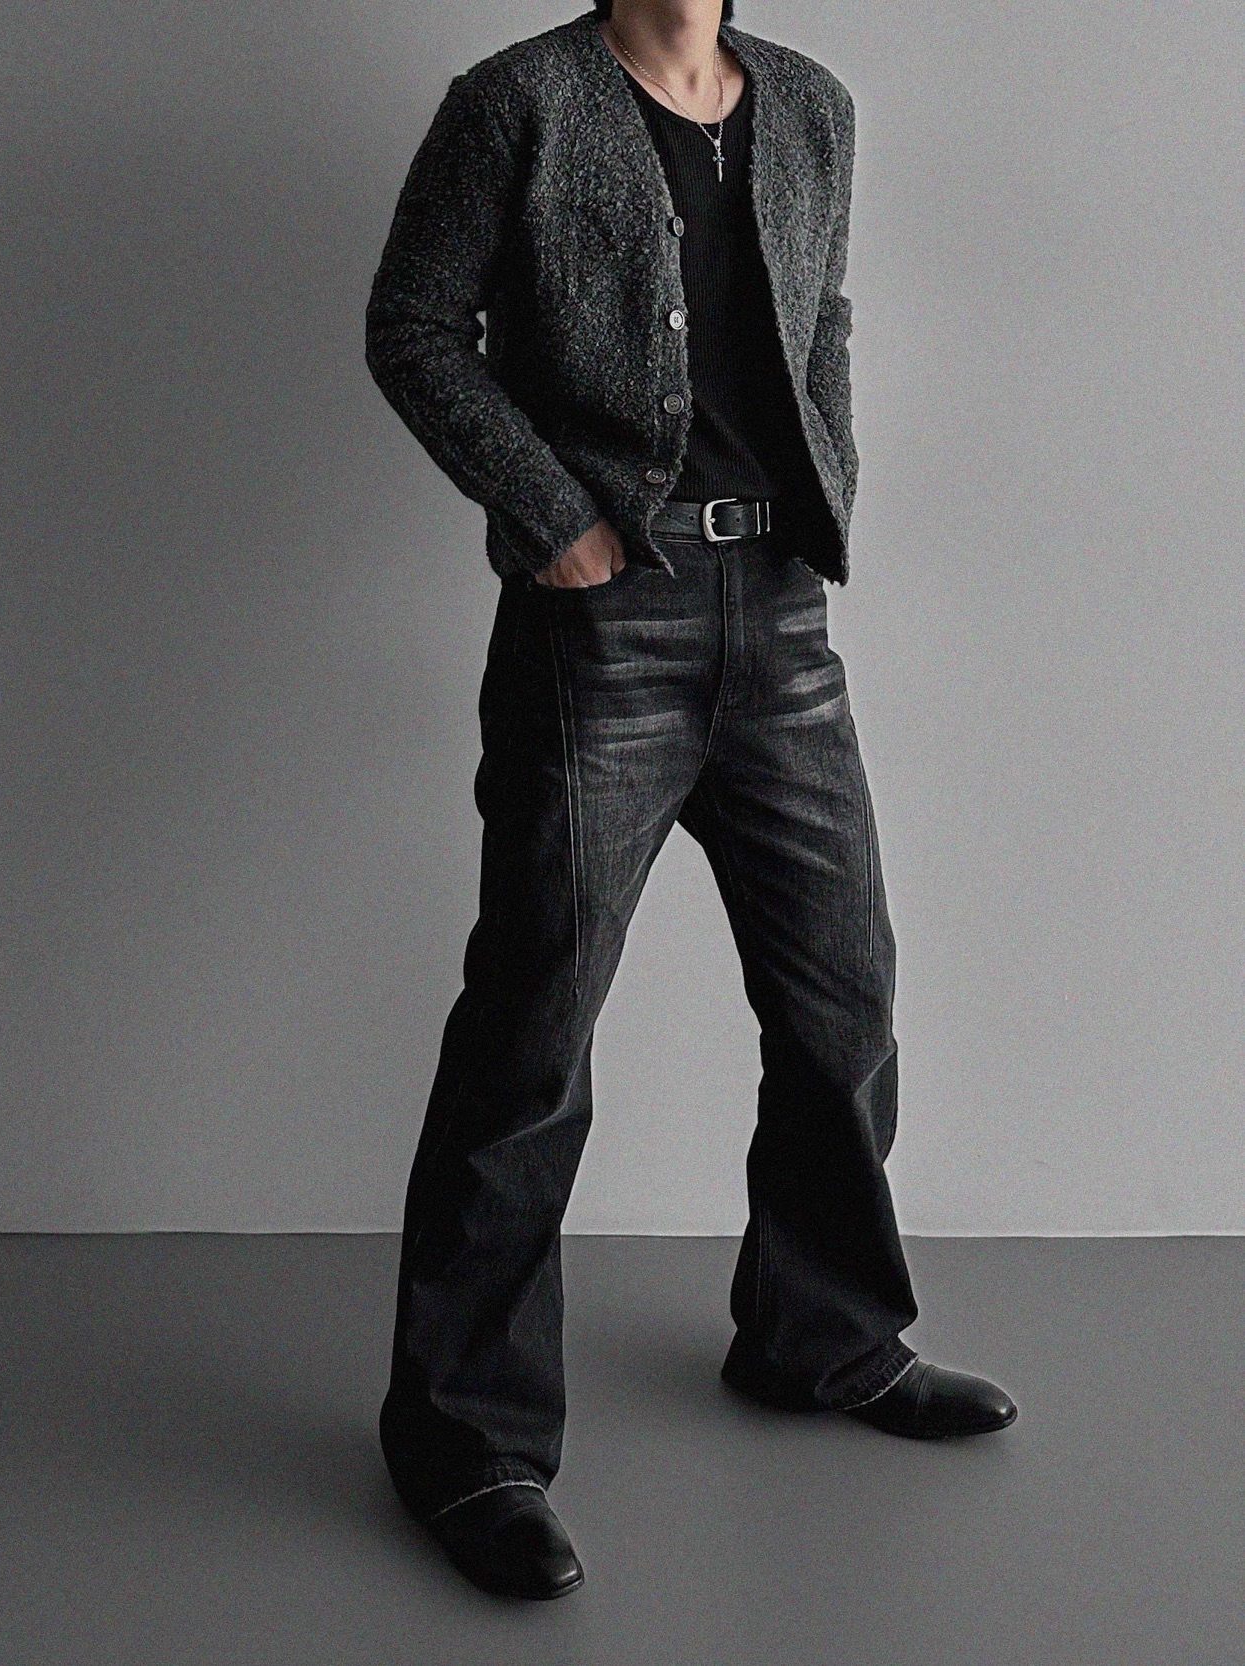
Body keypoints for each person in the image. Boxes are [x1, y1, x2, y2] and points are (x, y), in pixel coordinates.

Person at [364, 0, 1017, 1602]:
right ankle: (464, 1439)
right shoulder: (516, 101)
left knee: (841, 999)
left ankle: (818, 1333)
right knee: (533, 1033)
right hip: (605, 624)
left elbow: (819, 314)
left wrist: (827, 481)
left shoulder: (809, 103)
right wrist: (553, 516)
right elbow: (412, 327)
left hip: (780, 617)